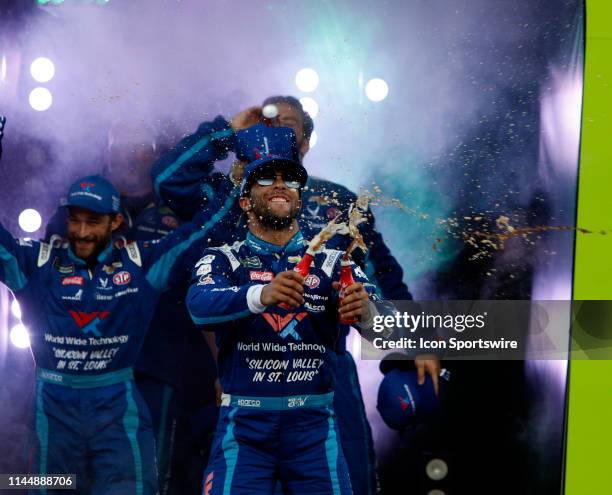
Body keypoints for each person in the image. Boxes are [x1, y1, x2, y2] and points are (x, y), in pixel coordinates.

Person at [151, 96, 441, 494]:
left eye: (287, 126)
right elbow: (168, 181)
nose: (275, 132)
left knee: (350, 476)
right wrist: (226, 132)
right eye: (265, 124)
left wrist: (410, 341)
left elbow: (382, 277)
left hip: (325, 367)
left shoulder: (338, 204)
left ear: (305, 141)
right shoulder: (227, 196)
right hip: (243, 368)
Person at [186, 126, 380, 493]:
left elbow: (393, 329)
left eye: (289, 178)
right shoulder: (223, 259)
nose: (279, 184)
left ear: (299, 197)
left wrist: (367, 313)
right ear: (244, 201)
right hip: (244, 427)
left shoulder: (334, 262)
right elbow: (198, 306)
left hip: (314, 428)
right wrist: (262, 294)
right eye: (265, 178)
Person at [0, 174, 215, 494]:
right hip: (53, 412)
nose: (83, 232)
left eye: (93, 221)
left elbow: (201, 232)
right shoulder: (38, 262)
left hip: (117, 411)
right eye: (76, 221)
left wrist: (234, 176)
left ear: (115, 221)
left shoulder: (139, 263)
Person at [45, 121, 218, 495]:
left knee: (145, 477)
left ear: (154, 150)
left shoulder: (180, 207)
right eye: (118, 140)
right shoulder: (77, 209)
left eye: (138, 142)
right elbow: (48, 282)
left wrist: (382, 354)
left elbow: (208, 287)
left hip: (162, 366)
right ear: (106, 146)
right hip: (80, 373)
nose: (128, 150)